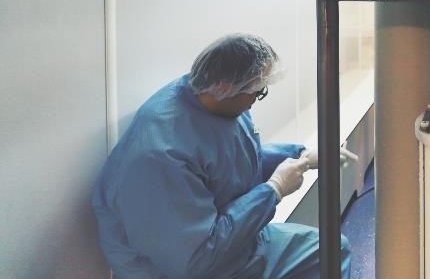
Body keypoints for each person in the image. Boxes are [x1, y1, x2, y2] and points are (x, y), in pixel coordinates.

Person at [92, 33, 351, 279]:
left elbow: (230, 160)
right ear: (227, 87)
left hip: (239, 249)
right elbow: (197, 258)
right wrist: (273, 190)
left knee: (332, 250)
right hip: (190, 269)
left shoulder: (216, 101)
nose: (257, 99)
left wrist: (299, 155)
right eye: (257, 91)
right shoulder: (159, 160)